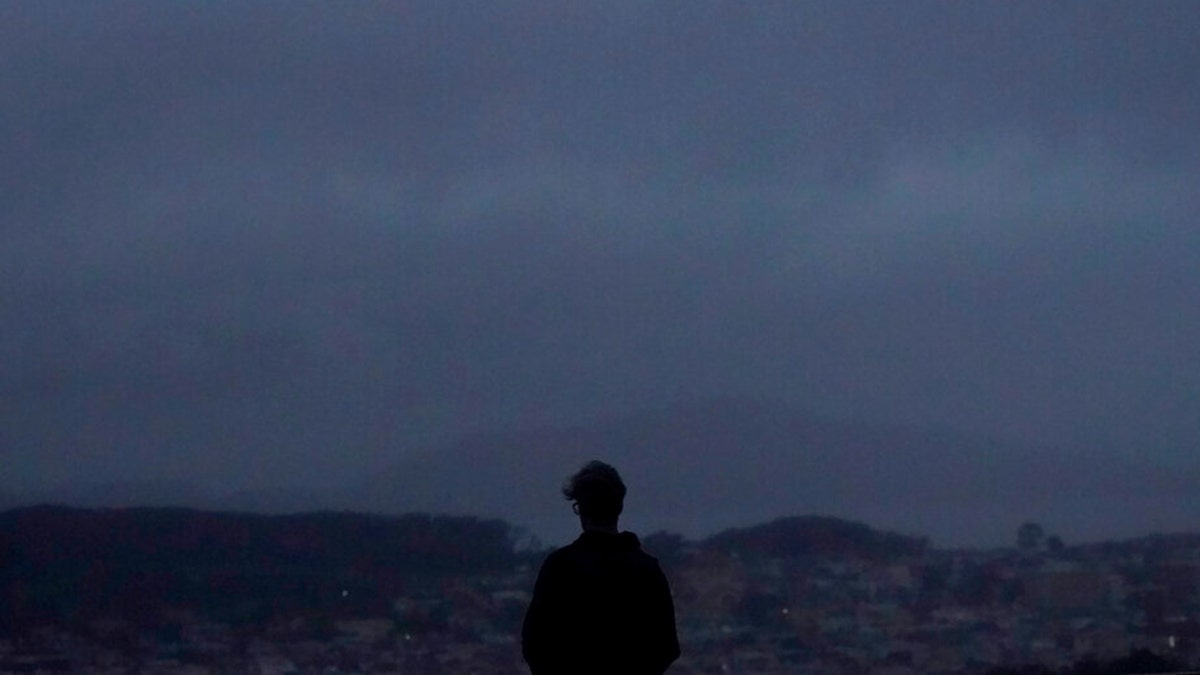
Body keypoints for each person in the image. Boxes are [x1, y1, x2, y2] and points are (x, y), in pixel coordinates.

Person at [522, 460, 680, 675]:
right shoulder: (646, 570)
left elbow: (535, 643)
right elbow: (666, 646)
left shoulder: (559, 567)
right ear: (619, 506)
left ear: (580, 509)